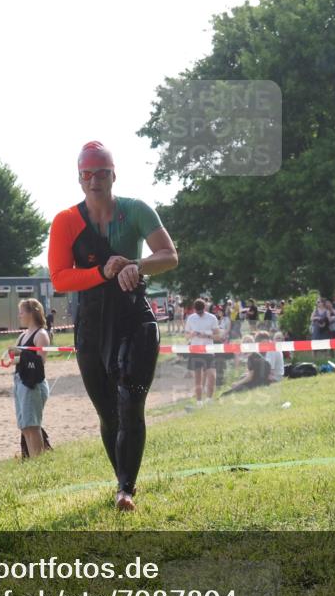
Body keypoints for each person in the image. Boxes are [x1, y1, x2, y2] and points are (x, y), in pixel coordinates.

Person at [48, 141, 178, 511]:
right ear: (79, 178)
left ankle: (126, 489)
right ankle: (122, 480)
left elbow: (169, 255)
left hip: (133, 315)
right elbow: (60, 278)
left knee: (131, 401)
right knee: (108, 412)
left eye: (101, 173)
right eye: (87, 174)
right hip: (91, 323)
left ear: (113, 175)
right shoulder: (66, 221)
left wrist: (137, 265)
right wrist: (102, 272)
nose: (94, 181)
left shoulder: (136, 210)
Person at [12, 299, 52, 459]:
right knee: (24, 426)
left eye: (22, 312)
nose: (19, 315)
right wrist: (12, 356)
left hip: (33, 384)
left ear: (31, 313)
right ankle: (31, 459)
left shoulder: (41, 335)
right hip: (19, 381)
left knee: (33, 425)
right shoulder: (22, 335)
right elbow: (16, 360)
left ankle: (38, 460)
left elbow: (40, 363)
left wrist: (21, 355)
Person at [184, 299, 220, 406]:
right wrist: (192, 334)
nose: (199, 313)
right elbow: (186, 336)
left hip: (209, 351)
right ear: (194, 309)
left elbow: (218, 336)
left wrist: (207, 335)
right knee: (198, 378)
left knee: (212, 376)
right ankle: (199, 401)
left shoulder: (212, 318)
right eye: (197, 311)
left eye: (201, 311)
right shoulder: (191, 318)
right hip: (195, 350)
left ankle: (209, 399)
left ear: (205, 308)